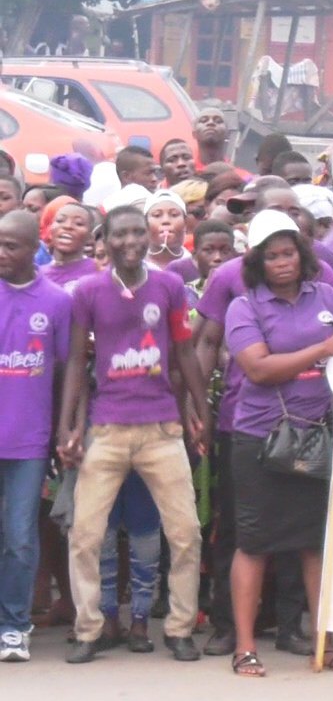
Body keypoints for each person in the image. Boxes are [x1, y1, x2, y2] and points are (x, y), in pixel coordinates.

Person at [59, 204, 207, 663]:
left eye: (137, 233)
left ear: (148, 236)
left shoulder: (169, 286)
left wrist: (200, 410)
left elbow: (184, 350)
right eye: (119, 234)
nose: (130, 242)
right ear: (104, 240)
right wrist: (68, 424)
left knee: (186, 533)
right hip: (107, 427)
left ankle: (180, 629)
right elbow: (77, 363)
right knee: (85, 534)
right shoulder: (87, 291)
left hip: (161, 427)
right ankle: (89, 630)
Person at [222, 211, 333, 678]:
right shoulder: (245, 307)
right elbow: (258, 369)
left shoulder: (327, 297)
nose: (282, 263)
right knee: (255, 543)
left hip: (318, 435)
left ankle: (326, 642)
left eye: (289, 253)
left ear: (303, 255)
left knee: (315, 544)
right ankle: (244, 648)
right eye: (272, 256)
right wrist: (325, 348)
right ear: (257, 262)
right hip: (261, 438)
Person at [0, 211, 71, 662]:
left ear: (33, 249)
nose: (2, 253)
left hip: (28, 440)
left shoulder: (57, 301)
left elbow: (65, 372)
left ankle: (13, 625)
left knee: (20, 535)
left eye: (11, 246)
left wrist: (62, 432)